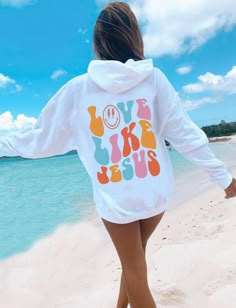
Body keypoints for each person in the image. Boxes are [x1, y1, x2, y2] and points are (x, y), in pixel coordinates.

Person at [0, 2, 235, 307]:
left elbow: (39, 139)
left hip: (117, 202)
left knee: (135, 272)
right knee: (134, 262)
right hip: (156, 195)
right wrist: (224, 177)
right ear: (135, 38)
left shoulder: (78, 89)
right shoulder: (155, 80)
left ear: (98, 44)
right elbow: (185, 134)